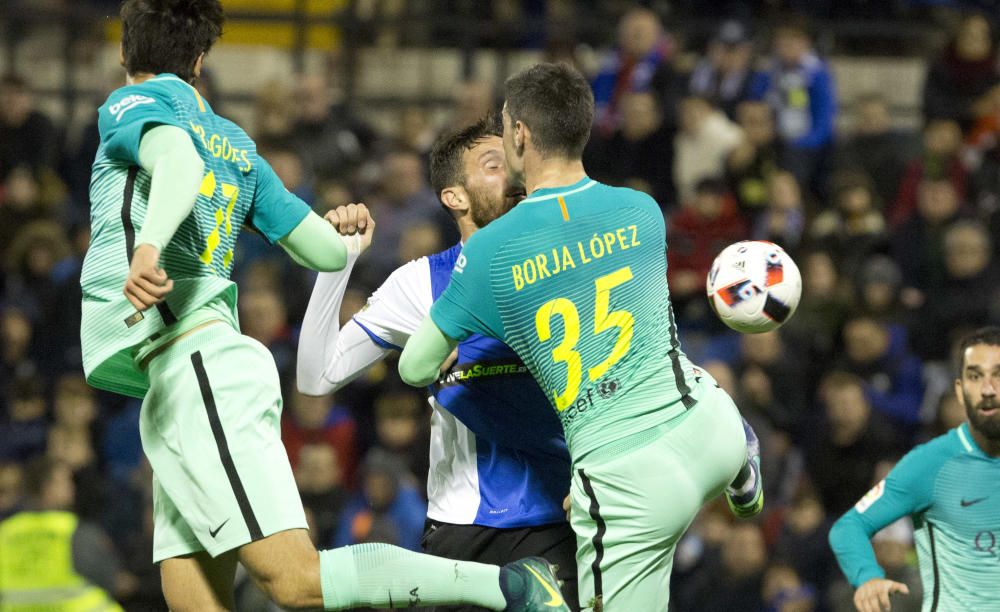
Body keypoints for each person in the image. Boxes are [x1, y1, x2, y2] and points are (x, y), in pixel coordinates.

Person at [79, 1, 567, 610]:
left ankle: (506, 586)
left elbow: (175, 161)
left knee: (294, 580)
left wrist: (149, 248)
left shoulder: (135, 104)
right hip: (178, 376)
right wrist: (346, 247)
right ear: (202, 60)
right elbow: (321, 249)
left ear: (125, 55)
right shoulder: (236, 146)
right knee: (189, 583)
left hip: (196, 358)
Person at [398, 62, 763, 610]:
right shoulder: (642, 211)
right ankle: (742, 464)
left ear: (520, 133)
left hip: (626, 480)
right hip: (710, 427)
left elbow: (413, 368)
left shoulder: (491, 254)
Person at [297, 115, 579, 611]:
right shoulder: (419, 284)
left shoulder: (568, 264)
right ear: (455, 196)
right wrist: (336, 267)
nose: (514, 174)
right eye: (494, 165)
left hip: (558, 517)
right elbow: (316, 378)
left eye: (515, 162)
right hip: (459, 533)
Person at [829, 327, 1000, 611]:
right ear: (959, 391)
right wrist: (868, 577)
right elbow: (849, 527)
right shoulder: (929, 463)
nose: (988, 389)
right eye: (974, 376)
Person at [0, 457, 129, 610]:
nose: (72, 488)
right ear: (47, 488)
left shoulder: (6, 531)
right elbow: (113, 581)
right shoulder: (74, 531)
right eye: (65, 482)